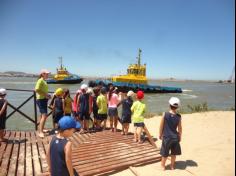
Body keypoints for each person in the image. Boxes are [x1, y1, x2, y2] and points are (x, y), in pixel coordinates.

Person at [159, 97, 182, 171]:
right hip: (175, 137)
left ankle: (163, 166)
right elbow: (180, 128)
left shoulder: (165, 114)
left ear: (169, 105)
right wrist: (180, 136)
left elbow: (161, 125)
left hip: (166, 137)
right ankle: (172, 166)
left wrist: (160, 134)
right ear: (177, 107)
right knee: (173, 153)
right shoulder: (179, 116)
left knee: (165, 153)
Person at [35, 69, 51, 138]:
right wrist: (45, 95)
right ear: (42, 74)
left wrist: (47, 95)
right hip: (41, 99)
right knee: (44, 115)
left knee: (42, 115)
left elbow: (42, 90)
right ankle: (40, 132)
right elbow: (36, 89)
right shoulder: (40, 80)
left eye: (48, 74)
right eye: (46, 74)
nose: (47, 75)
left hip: (43, 99)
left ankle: (42, 129)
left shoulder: (44, 81)